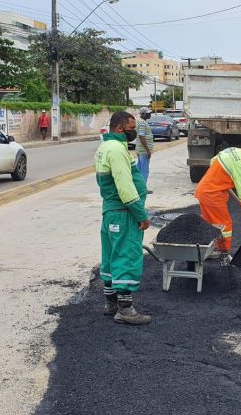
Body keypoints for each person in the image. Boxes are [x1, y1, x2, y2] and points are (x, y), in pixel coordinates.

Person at [93, 110, 151, 325]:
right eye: (131, 128)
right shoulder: (117, 150)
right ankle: (126, 310)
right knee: (126, 256)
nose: (134, 132)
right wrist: (141, 214)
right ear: (120, 128)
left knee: (110, 256)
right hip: (123, 213)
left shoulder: (104, 147)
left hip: (111, 212)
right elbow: (125, 187)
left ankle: (111, 304)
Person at [194, 140, 241, 259]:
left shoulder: (233, 150)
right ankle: (224, 253)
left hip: (204, 191)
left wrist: (222, 178)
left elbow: (213, 161)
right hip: (212, 195)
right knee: (225, 225)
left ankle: (206, 250)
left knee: (211, 224)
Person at [136, 107, 154, 186]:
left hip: (140, 149)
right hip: (143, 150)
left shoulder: (140, 122)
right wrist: (148, 150)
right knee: (144, 170)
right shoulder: (142, 123)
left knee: (139, 169)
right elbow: (141, 136)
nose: (150, 114)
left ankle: (138, 187)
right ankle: (143, 188)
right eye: (148, 113)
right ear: (143, 114)